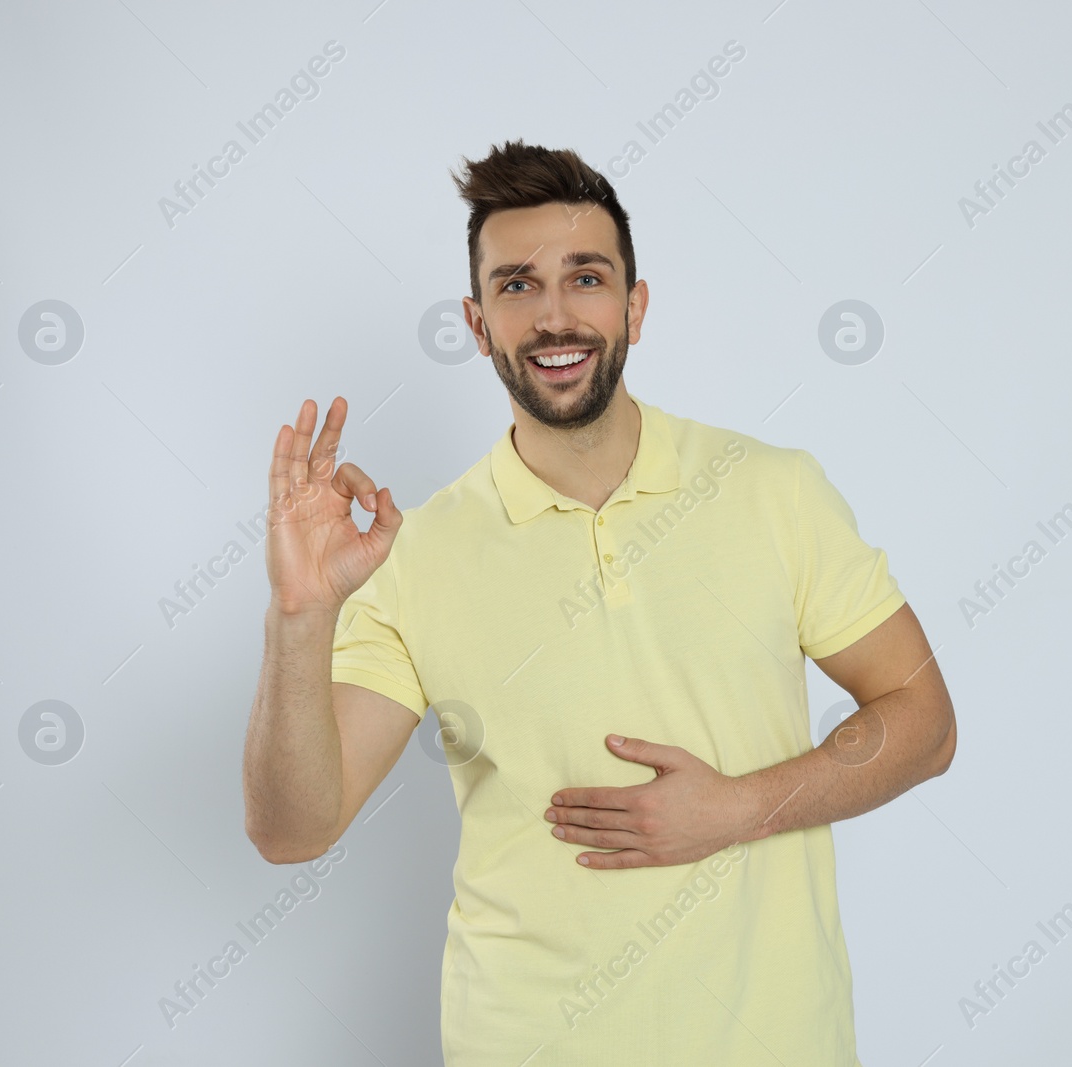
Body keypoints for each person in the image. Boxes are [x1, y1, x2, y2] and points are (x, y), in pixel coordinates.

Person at [242, 140, 956, 1065]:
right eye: (516, 286)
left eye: (585, 277)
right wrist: (299, 617)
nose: (554, 316)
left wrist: (741, 807)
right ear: (476, 320)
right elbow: (293, 829)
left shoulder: (773, 491)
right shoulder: (411, 557)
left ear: (635, 304)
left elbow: (925, 720)